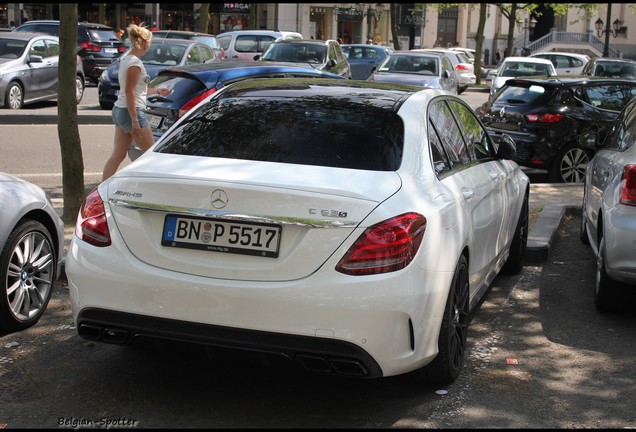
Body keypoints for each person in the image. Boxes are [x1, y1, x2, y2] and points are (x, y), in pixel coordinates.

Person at [102, 24, 171, 181]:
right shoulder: (135, 63)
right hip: (131, 111)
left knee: (117, 155)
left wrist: (157, 91)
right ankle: (148, 188)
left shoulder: (126, 58)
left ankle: (101, 188)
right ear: (145, 43)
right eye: (150, 43)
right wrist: (134, 121)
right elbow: (129, 92)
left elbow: (136, 89)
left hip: (120, 109)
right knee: (151, 155)